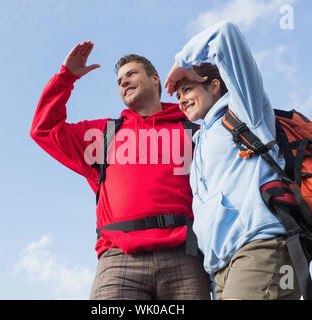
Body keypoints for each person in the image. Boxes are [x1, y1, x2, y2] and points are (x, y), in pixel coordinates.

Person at [30, 41, 211, 299]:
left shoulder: (194, 133)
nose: (124, 82)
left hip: (185, 256)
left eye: (131, 74)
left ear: (155, 79)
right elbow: (44, 130)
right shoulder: (102, 135)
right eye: (119, 81)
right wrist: (66, 78)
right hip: (119, 260)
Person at [165, 22, 302, 300]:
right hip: (222, 269)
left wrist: (181, 63)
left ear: (215, 85)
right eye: (178, 95)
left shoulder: (245, 109)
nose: (181, 100)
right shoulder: (201, 140)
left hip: (259, 248)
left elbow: (227, 33)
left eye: (188, 89)